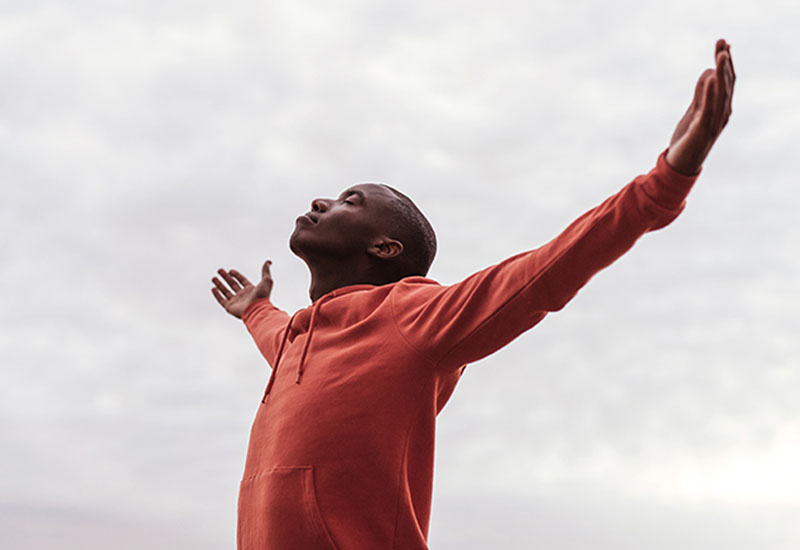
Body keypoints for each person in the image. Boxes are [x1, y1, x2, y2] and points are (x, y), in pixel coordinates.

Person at [211, 40, 735, 550]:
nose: (321, 201)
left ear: (386, 247)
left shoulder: (412, 316)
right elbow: (274, 332)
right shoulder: (295, 342)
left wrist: (662, 184)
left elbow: (543, 273)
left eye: (351, 200)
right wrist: (254, 307)